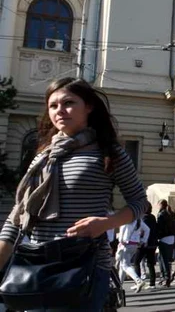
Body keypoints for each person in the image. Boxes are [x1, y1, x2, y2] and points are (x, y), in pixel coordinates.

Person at [0, 77, 148, 311]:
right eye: (53, 105)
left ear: (88, 106)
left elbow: (140, 201)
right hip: (39, 262)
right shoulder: (42, 157)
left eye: (68, 102)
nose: (60, 110)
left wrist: (108, 222)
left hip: (84, 264)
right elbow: (19, 212)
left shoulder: (109, 153)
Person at [117, 215, 149, 291]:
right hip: (135, 244)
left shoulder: (126, 219)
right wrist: (143, 240)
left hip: (126, 244)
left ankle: (138, 280)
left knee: (125, 265)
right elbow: (147, 229)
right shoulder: (138, 220)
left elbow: (122, 230)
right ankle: (119, 285)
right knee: (123, 265)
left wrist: (121, 240)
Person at [134, 202, 158, 289]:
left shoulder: (143, 218)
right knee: (150, 264)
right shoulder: (153, 217)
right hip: (153, 243)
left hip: (144, 244)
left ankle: (138, 281)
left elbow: (142, 231)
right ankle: (152, 283)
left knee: (136, 261)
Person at [156, 199, 175, 287]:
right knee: (162, 258)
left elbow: (160, 227)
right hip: (172, 238)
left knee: (163, 259)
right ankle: (164, 276)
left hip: (164, 238)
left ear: (161, 205)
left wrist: (157, 237)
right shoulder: (171, 214)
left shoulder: (161, 214)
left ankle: (166, 277)